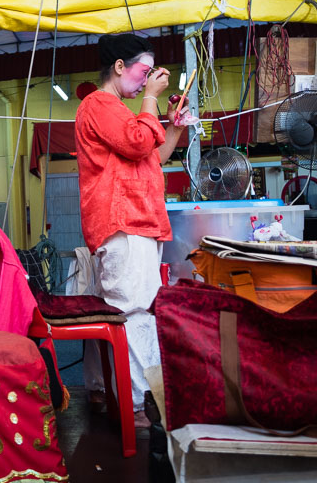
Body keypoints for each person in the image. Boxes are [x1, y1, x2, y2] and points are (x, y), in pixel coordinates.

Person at [75, 33, 188, 428]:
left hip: (134, 221)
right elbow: (139, 142)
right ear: (120, 67)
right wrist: (153, 99)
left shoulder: (118, 110)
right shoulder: (100, 104)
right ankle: (139, 404)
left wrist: (172, 126)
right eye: (143, 72)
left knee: (119, 306)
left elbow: (153, 156)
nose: (146, 81)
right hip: (125, 222)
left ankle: (103, 389)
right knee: (135, 310)